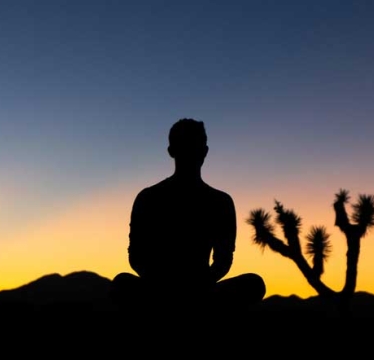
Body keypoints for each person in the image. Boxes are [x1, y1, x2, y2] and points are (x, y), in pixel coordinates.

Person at [110, 118, 266, 310]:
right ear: (172, 151)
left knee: (254, 283)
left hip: (199, 288)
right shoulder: (149, 197)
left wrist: (201, 284)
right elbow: (136, 256)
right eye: (185, 145)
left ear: (204, 151)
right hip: (162, 287)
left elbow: (223, 259)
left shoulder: (220, 202)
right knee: (121, 283)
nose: (190, 151)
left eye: (194, 145)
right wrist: (165, 284)